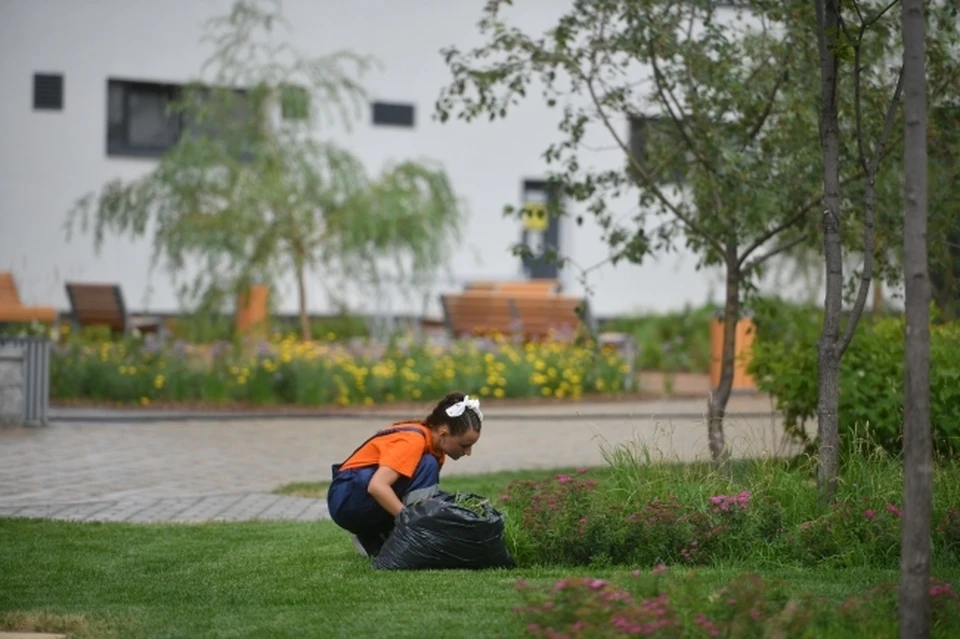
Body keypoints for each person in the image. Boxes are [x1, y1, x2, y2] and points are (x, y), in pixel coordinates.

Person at [326, 391, 483, 557]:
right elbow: (377, 486)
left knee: (430, 488)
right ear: (443, 434)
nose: (468, 452)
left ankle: (372, 539)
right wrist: (411, 522)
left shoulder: (435, 448)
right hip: (347, 498)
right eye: (465, 445)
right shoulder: (413, 441)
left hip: (351, 497)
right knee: (427, 466)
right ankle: (410, 537)